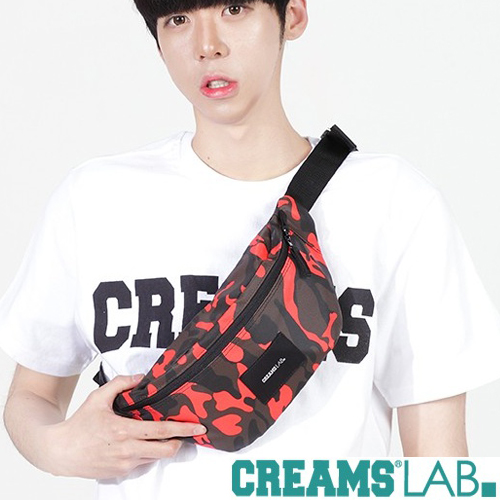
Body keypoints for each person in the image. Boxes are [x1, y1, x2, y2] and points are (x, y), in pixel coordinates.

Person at [1, 0, 500, 498]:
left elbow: (438, 459)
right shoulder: (95, 199)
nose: (206, 46)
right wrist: (57, 448)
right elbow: (32, 395)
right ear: (158, 42)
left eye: (234, 9)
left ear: (293, 16)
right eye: (178, 20)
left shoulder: (393, 203)